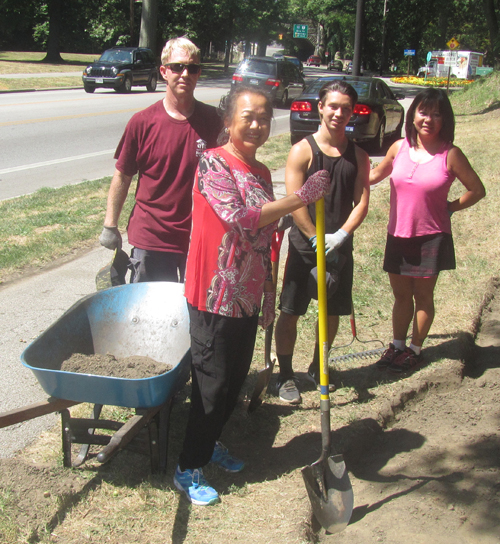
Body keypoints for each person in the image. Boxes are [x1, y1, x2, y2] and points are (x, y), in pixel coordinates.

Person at [174, 86, 331, 506]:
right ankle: (188, 467)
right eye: (249, 116)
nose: (258, 124)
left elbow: (266, 237)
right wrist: (299, 198)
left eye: (264, 117)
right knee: (212, 382)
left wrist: (267, 292)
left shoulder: (260, 172)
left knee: (234, 380)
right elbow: (242, 219)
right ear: (228, 120)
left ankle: (210, 445)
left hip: (247, 293)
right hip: (214, 292)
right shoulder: (212, 163)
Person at [370, 88, 485, 373]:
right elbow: (373, 176)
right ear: (413, 115)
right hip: (397, 233)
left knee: (423, 296)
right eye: (423, 112)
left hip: (430, 236)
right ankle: (397, 345)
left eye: (437, 114)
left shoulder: (451, 154)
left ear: (445, 120)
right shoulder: (399, 148)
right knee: (400, 296)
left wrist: (450, 207)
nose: (429, 119)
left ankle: (415, 349)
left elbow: (477, 190)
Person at [273, 80, 370, 404]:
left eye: (345, 108)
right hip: (304, 247)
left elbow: (361, 203)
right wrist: (315, 238)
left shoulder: (358, 156)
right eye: (333, 106)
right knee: (291, 310)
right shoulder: (303, 151)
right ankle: (286, 375)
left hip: (340, 248)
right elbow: (295, 200)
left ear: (352, 111)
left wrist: (340, 236)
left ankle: (319, 365)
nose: (338, 113)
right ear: (321, 108)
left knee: (332, 312)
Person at [99, 37, 223, 282]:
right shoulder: (142, 122)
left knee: (195, 318)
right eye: (177, 67)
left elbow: (232, 171)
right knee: (151, 317)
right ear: (164, 71)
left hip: (197, 237)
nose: (185, 73)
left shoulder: (214, 121)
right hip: (151, 239)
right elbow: (123, 174)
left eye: (193, 68)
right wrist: (110, 224)